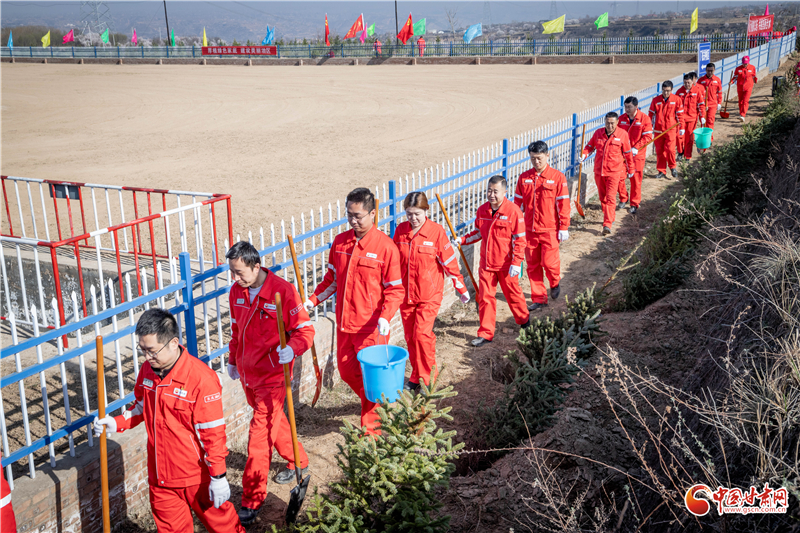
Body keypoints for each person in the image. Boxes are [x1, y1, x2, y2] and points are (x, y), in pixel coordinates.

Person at [93, 309, 245, 533]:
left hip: (196, 477)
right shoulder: (148, 370)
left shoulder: (201, 379)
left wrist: (219, 476)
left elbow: (212, 433)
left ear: (173, 343)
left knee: (224, 527)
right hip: (160, 478)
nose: (147, 357)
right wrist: (117, 423)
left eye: (152, 351)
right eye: (142, 350)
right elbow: (142, 406)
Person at [226, 241, 314, 525]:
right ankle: (299, 460)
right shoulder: (236, 292)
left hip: (273, 377)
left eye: (240, 272)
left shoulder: (282, 291)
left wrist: (293, 348)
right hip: (248, 375)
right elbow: (237, 329)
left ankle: (252, 499)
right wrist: (232, 359)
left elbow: (305, 330)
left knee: (259, 436)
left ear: (256, 266)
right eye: (232, 272)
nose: (235, 278)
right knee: (274, 423)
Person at [303, 187, 403, 434]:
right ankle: (379, 401)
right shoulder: (340, 243)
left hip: (371, 328)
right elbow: (332, 280)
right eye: (349, 214)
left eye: (358, 215)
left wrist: (386, 317)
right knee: (348, 372)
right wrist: (312, 301)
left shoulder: (386, 247)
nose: (353, 220)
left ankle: (371, 435)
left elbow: (395, 290)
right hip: (345, 325)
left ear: (372, 213)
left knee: (370, 377)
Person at [393, 191, 469, 391]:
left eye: (417, 214)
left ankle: (429, 380)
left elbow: (449, 261)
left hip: (429, 295)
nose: (413, 218)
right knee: (410, 337)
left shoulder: (436, 232)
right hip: (406, 295)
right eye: (409, 214)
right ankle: (416, 374)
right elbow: (393, 260)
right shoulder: (400, 231)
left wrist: (460, 286)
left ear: (426, 210)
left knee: (422, 335)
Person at [452, 175, 529, 346]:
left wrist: (517, 262)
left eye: (495, 191)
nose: (491, 195)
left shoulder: (513, 211)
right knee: (485, 298)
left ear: (505, 192)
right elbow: (478, 233)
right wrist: (462, 240)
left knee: (513, 295)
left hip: (507, 265)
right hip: (487, 265)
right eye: (489, 191)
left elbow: (519, 240)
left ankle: (524, 321)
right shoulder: (482, 211)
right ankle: (486, 333)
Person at [513, 141, 570, 311]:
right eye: (533, 159)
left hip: (550, 230)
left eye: (539, 158)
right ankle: (539, 298)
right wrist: (514, 227)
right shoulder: (524, 178)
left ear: (547, 155)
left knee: (549, 263)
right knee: (533, 265)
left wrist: (564, 227)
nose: (536, 162)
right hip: (529, 231)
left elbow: (563, 205)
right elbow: (517, 206)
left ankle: (554, 282)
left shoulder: (558, 177)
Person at [580, 112, 635, 236]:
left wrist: (631, 169)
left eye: (612, 123)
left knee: (610, 198)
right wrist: (584, 154)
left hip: (614, 172)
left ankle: (607, 224)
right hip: (599, 172)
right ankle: (609, 216)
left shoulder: (622, 134)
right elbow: (590, 146)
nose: (610, 126)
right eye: (607, 123)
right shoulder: (598, 133)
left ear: (617, 123)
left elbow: (628, 154)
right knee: (602, 197)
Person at [618, 96, 653, 215]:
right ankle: (623, 198)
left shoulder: (644, 119)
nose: (627, 109)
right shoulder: (621, 119)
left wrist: (636, 148)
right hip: (623, 154)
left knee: (635, 180)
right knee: (619, 177)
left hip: (637, 155)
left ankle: (634, 203)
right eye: (625, 107)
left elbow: (648, 137)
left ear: (636, 106)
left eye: (629, 107)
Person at [648, 80, 684, 180]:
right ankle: (661, 171)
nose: (666, 93)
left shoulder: (677, 100)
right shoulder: (656, 100)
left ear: (671, 90)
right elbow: (651, 114)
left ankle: (672, 167)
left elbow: (680, 115)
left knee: (670, 150)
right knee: (659, 151)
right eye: (664, 90)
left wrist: (682, 127)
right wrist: (649, 127)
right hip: (658, 130)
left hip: (671, 130)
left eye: (668, 91)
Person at [675, 72, 706, 161]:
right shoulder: (679, 92)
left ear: (692, 82)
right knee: (679, 137)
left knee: (689, 139)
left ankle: (687, 156)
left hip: (692, 119)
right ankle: (680, 152)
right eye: (685, 83)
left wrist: (702, 116)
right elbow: (675, 106)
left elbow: (701, 105)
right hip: (681, 119)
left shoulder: (696, 91)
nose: (687, 84)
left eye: (688, 82)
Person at [697, 63, 723, 141]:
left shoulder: (717, 80)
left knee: (710, 121)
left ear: (714, 70)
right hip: (703, 104)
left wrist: (719, 102)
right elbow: (697, 92)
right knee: (703, 121)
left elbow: (719, 92)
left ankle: (709, 138)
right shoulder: (701, 80)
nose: (710, 72)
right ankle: (703, 137)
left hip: (712, 104)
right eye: (708, 71)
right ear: (706, 70)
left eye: (711, 71)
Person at [733, 55, 758, 122]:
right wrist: (731, 82)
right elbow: (735, 76)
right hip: (740, 87)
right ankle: (741, 113)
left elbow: (754, 75)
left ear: (748, 62)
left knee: (745, 101)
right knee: (740, 101)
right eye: (744, 63)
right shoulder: (738, 68)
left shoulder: (752, 67)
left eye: (746, 63)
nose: (745, 64)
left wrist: (755, 80)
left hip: (748, 87)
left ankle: (743, 115)